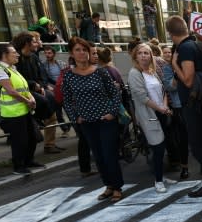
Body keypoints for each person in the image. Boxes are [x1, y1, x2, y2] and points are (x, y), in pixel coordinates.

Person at [166, 15, 202, 206]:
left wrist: (174, 64)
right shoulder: (195, 44)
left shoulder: (185, 48)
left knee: (199, 147)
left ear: (170, 33)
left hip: (195, 105)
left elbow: (188, 80)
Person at [62, 37, 125, 202]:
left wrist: (112, 113)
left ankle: (117, 186)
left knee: (109, 154)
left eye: (84, 50)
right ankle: (108, 185)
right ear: (71, 53)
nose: (82, 53)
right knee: (98, 155)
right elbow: (67, 100)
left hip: (106, 120)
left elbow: (115, 93)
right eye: (78, 50)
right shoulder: (69, 76)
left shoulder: (100, 71)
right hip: (87, 123)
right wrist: (76, 118)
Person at [128, 43, 173, 192]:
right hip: (149, 116)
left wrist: (165, 106)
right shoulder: (134, 73)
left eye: (146, 53)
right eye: (140, 53)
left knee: (162, 147)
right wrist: (161, 108)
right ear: (135, 56)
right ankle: (158, 181)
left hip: (161, 112)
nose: (143, 56)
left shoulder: (152, 72)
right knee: (157, 147)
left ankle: (160, 176)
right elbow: (142, 97)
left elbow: (163, 91)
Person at [0, 43, 41, 175]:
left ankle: (28, 160)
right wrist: (28, 101)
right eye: (14, 52)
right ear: (4, 55)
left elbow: (23, 87)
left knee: (33, 137)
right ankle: (19, 166)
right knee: (19, 141)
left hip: (24, 109)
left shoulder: (12, 68)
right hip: (13, 113)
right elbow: (11, 91)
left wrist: (31, 97)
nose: (17, 54)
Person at [12, 31, 57, 152]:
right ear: (27, 44)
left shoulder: (34, 57)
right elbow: (16, 78)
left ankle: (49, 145)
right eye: (34, 41)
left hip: (38, 92)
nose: (37, 44)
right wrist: (34, 85)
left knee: (52, 113)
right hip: (24, 96)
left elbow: (42, 76)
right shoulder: (16, 59)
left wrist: (41, 86)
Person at [161, 45, 190, 180]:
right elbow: (170, 86)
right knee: (183, 138)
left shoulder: (189, 64)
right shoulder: (168, 68)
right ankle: (184, 167)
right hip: (179, 106)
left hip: (192, 103)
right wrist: (176, 70)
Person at [41, 45, 71, 136]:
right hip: (53, 90)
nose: (47, 55)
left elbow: (67, 75)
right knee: (58, 112)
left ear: (54, 54)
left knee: (69, 110)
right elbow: (44, 78)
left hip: (64, 89)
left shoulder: (61, 63)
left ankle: (74, 127)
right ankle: (65, 129)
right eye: (46, 53)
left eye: (49, 53)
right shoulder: (44, 65)